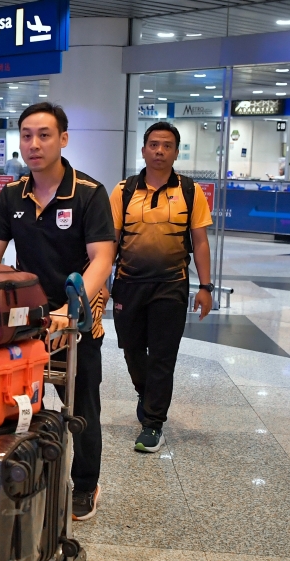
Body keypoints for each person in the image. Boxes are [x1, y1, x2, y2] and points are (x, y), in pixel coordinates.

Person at [0, 102, 116, 521]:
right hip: (27, 319)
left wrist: (68, 309)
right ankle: (27, 472)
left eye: (43, 135)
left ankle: (87, 483)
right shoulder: (12, 194)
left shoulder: (89, 194)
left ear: (63, 139)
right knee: (22, 401)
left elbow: (102, 258)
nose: (33, 144)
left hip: (75, 320)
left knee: (80, 407)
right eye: (26, 135)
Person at [110, 121, 214, 453]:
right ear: (143, 150)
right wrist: (98, 284)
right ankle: (147, 392)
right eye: (154, 144)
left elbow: (200, 242)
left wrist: (206, 286)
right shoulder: (123, 190)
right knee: (131, 349)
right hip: (128, 284)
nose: (159, 151)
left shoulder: (189, 190)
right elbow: (109, 242)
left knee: (163, 356)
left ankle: (153, 424)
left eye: (167, 145)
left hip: (171, 285)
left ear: (176, 151)